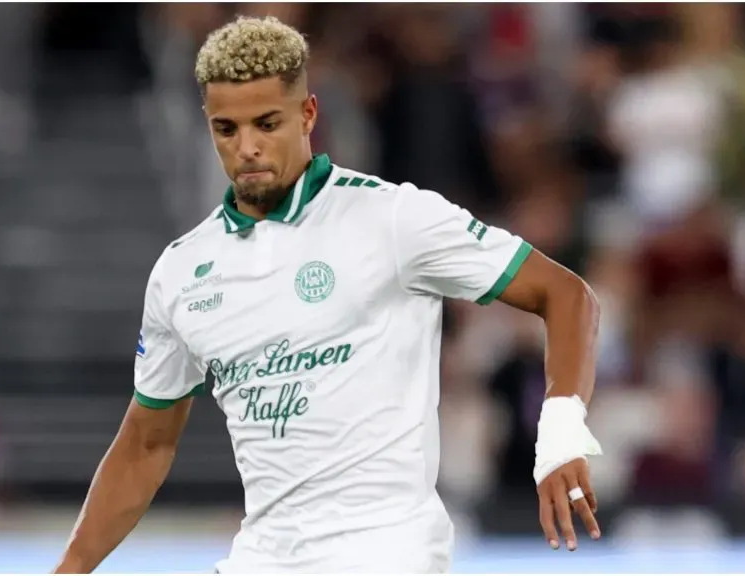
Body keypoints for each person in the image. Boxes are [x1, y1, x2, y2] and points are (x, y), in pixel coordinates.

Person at [55, 16, 603, 574]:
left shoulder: (393, 218)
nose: (247, 147)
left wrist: (560, 437)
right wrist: (69, 568)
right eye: (226, 129)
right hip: (263, 557)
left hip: (388, 554)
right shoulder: (182, 271)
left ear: (308, 114)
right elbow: (147, 445)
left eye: (267, 124)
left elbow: (566, 295)